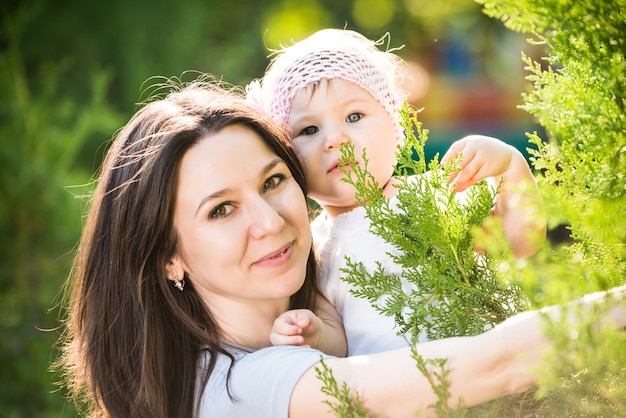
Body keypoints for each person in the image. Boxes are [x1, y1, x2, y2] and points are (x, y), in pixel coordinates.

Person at [55, 78, 625, 418]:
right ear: (167, 257)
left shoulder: (335, 310)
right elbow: (490, 366)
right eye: (221, 209)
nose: (270, 220)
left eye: (274, 181)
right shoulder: (240, 385)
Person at [247, 28, 547, 355]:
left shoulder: (436, 195)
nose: (334, 139)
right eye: (309, 130)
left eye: (354, 116)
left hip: (489, 369)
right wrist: (315, 334)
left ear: (396, 123)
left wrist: (510, 166)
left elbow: (521, 240)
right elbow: (338, 338)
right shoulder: (313, 249)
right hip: (405, 394)